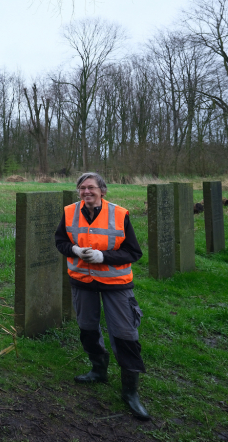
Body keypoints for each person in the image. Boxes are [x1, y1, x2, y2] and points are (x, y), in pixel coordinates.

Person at [55, 172, 150, 420]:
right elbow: (60, 241)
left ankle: (130, 392)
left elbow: (133, 252)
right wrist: (74, 249)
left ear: (102, 190)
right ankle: (98, 370)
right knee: (87, 328)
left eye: (91, 187)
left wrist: (102, 257)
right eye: (82, 188)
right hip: (82, 281)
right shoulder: (69, 212)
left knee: (125, 334)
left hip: (115, 283)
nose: (86, 192)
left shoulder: (119, 214)